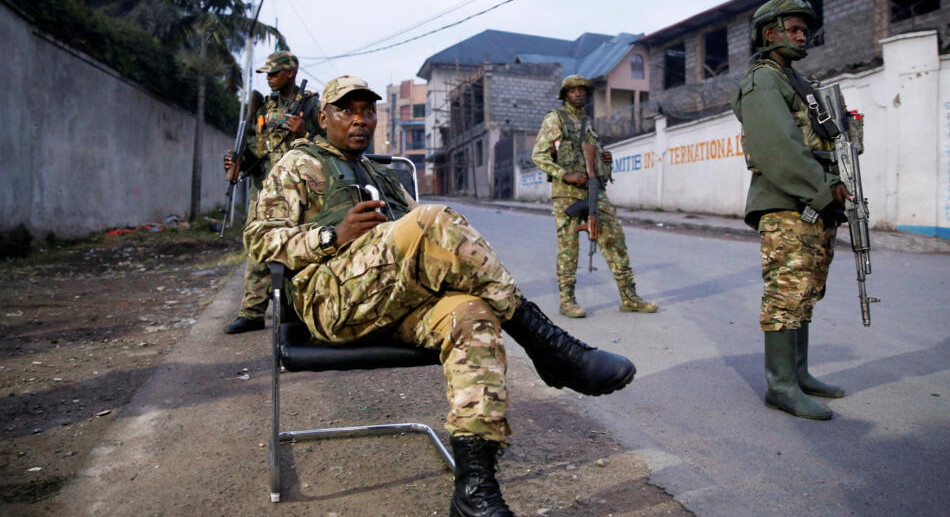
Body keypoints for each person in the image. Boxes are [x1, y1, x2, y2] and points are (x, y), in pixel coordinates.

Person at [244, 75, 636, 516]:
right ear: (323, 117)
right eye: (347, 111)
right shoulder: (298, 165)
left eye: (368, 111)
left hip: (396, 300)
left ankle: (474, 491)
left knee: (473, 314)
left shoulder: (381, 175)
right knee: (433, 220)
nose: (360, 120)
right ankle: (548, 344)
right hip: (335, 302)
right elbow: (258, 240)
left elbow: (434, 242)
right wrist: (332, 234)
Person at [732, 0, 851, 421]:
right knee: (787, 292)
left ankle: (798, 374)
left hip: (813, 201)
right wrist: (823, 189)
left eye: (804, 30)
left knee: (807, 290)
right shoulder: (764, 81)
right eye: (794, 29)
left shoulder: (797, 81)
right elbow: (777, 147)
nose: (803, 36)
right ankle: (780, 386)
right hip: (787, 203)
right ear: (770, 33)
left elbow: (820, 140)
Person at [531, 75, 658, 318]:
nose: (579, 93)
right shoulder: (556, 119)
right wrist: (565, 174)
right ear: (565, 94)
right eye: (573, 90)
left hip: (593, 189)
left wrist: (605, 161)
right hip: (567, 193)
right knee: (568, 246)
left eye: (582, 90)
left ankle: (629, 297)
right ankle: (567, 301)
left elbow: (592, 156)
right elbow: (538, 155)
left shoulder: (588, 122)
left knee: (614, 239)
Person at [223, 51, 324, 335]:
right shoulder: (264, 107)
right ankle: (252, 312)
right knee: (258, 247)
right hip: (265, 188)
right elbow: (257, 147)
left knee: (301, 248)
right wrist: (238, 161)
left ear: (290, 72)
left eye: (274, 73)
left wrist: (304, 133)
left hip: (299, 190)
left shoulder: (311, 105)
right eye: (266, 74)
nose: (269, 78)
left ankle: (300, 311)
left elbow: (330, 144)